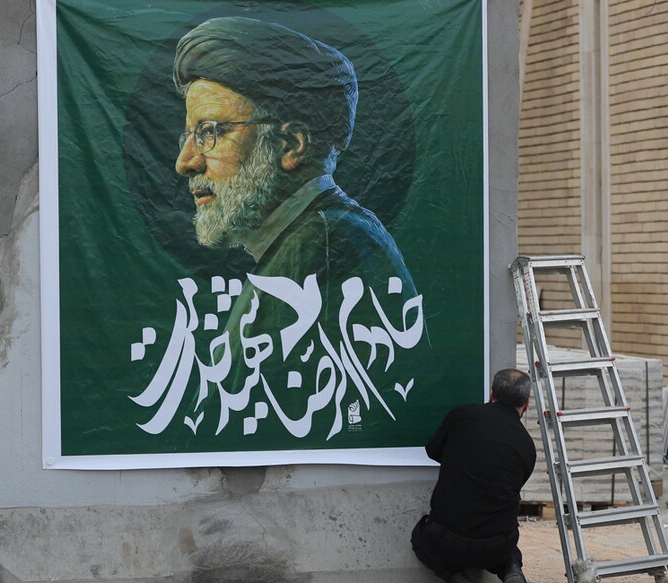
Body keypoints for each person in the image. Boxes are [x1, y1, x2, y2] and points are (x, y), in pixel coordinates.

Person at [168, 16, 424, 430]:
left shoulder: (316, 244)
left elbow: (227, 414)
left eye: (211, 132)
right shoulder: (336, 228)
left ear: (292, 145)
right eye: (189, 136)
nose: (186, 162)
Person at [411, 369, 537, 583]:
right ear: (526, 403)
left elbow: (433, 451)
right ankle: (511, 570)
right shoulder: (527, 446)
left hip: (448, 541)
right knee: (509, 549)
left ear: (491, 394)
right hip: (497, 545)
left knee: (421, 537)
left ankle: (455, 577)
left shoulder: (462, 416)